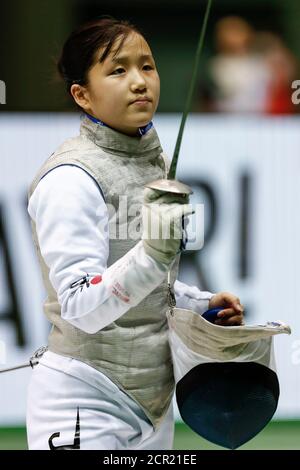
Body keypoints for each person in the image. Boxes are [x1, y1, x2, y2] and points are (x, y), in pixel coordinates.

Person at [26, 17, 244, 450]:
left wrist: (198, 303)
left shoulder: (149, 162)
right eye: (118, 70)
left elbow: (139, 283)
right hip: (83, 402)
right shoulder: (70, 179)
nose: (140, 81)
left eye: (147, 66)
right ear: (82, 95)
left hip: (153, 403)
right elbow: (80, 305)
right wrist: (152, 254)